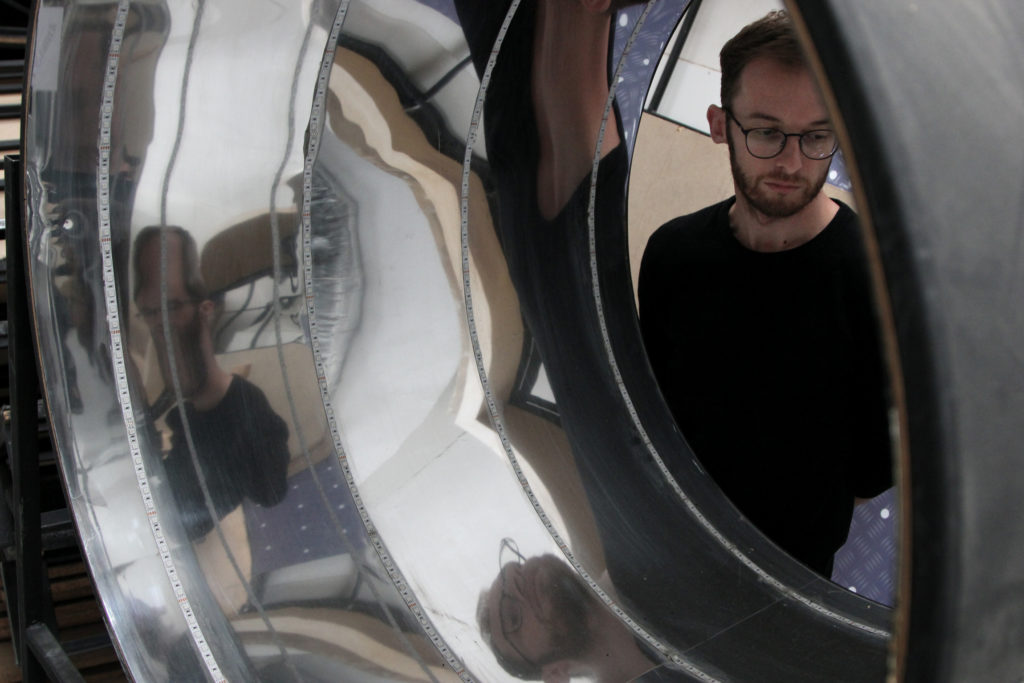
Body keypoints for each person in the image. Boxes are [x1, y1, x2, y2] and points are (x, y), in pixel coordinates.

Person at [638, 11, 892, 576]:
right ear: (719, 125)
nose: (791, 162)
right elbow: (652, 411)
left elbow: (880, 460)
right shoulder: (672, 254)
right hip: (665, 546)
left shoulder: (877, 282)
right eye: (767, 131)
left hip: (791, 578)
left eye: (817, 135)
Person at [133, 225, 290, 539]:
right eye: (149, 312)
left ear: (205, 310)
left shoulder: (248, 411)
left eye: (171, 306)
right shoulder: (182, 415)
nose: (160, 325)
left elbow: (271, 493)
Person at [479, 539, 660, 682]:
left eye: (517, 568)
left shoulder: (636, 543)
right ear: (555, 673)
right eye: (513, 617)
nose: (518, 580)